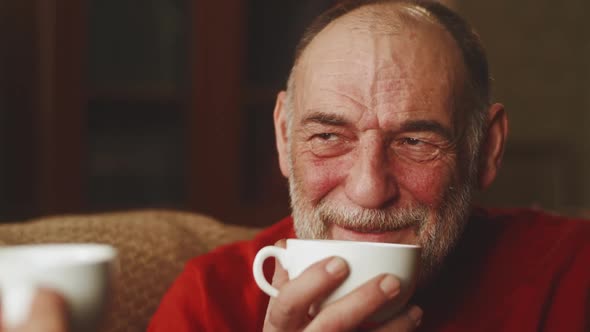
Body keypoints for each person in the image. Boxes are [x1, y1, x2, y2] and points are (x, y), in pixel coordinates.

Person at [148, 0, 590, 331]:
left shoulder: (573, 273)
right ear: (285, 137)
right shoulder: (209, 301)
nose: (368, 190)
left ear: (486, 149)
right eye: (328, 137)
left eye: (415, 141)